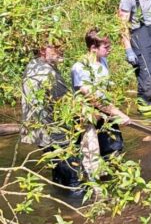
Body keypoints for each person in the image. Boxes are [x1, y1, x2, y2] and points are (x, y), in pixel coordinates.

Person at [71, 29, 132, 180]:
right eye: (106, 47)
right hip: (89, 115)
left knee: (114, 147)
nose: (109, 50)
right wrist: (119, 114)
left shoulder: (103, 60)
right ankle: (96, 193)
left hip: (106, 112)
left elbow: (104, 90)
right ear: (93, 48)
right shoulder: (80, 68)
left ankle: (115, 181)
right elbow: (94, 98)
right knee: (91, 157)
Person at [20, 42, 80, 188]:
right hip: (54, 133)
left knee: (58, 174)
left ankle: (61, 203)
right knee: (72, 177)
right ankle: (77, 205)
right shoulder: (48, 73)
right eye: (56, 48)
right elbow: (66, 102)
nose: (61, 50)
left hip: (38, 131)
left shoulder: (32, 65)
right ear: (42, 50)